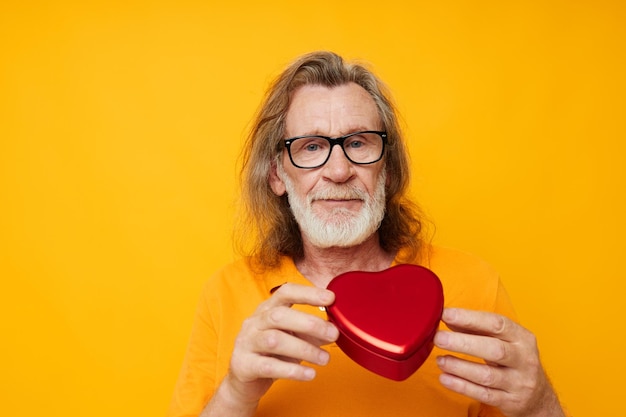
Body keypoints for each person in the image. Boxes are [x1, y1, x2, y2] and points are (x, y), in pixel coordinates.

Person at [168, 51, 567, 417]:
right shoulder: (226, 293)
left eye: (358, 143)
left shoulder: (476, 285)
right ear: (277, 174)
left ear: (388, 169)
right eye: (310, 147)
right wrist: (237, 392)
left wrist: (538, 402)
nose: (339, 171)